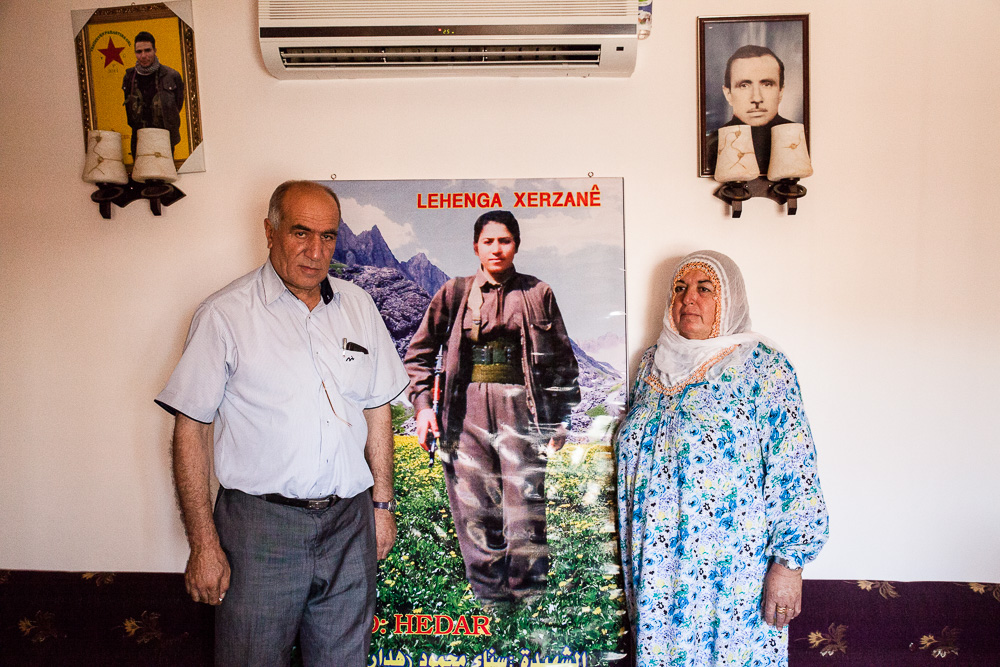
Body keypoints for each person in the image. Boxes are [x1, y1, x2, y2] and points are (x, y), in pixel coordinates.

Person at [155, 181, 408, 666]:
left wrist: (381, 506)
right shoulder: (224, 315)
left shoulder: (359, 306)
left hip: (350, 526)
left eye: (329, 237)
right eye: (300, 233)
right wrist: (204, 544)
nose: (316, 252)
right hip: (260, 530)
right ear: (269, 231)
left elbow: (377, 410)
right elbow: (190, 429)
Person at [615, 250, 828, 666]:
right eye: (679, 289)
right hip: (656, 573)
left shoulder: (762, 366)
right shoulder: (648, 367)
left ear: (729, 300)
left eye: (704, 289)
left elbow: (794, 467)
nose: (687, 299)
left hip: (730, 576)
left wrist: (789, 567)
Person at [403, 210, 580, 605]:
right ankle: (492, 604)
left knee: (525, 512)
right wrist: (423, 408)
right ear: (476, 247)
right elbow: (419, 354)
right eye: (488, 241)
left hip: (523, 411)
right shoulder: (454, 292)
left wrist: (560, 418)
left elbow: (562, 362)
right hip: (465, 413)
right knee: (475, 511)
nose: (496, 249)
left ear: (516, 244)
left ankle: (529, 602)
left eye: (505, 241)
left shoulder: (538, 293)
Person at [710, 45, 793, 174]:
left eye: (767, 84)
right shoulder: (711, 145)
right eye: (744, 85)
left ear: (780, 92)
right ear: (728, 94)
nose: (756, 98)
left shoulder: (798, 139)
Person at [122, 31, 185, 160]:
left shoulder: (172, 75)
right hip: (139, 138)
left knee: (165, 175)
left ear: (155, 50)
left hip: (164, 137)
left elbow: (178, 104)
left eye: (147, 50)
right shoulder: (128, 77)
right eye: (139, 52)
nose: (143, 55)